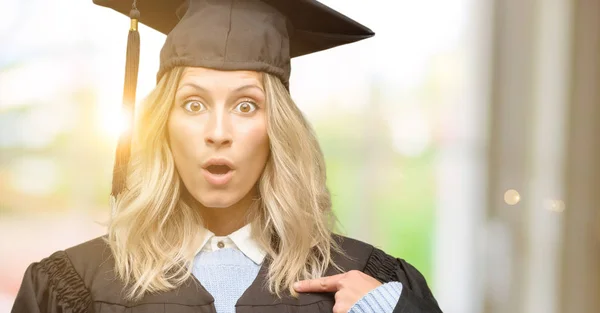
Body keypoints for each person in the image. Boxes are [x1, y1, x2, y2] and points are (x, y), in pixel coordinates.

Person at [11, 0, 443, 312]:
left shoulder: (367, 283)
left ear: (278, 128)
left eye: (246, 105)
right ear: (163, 123)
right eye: (194, 105)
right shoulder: (74, 287)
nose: (218, 133)